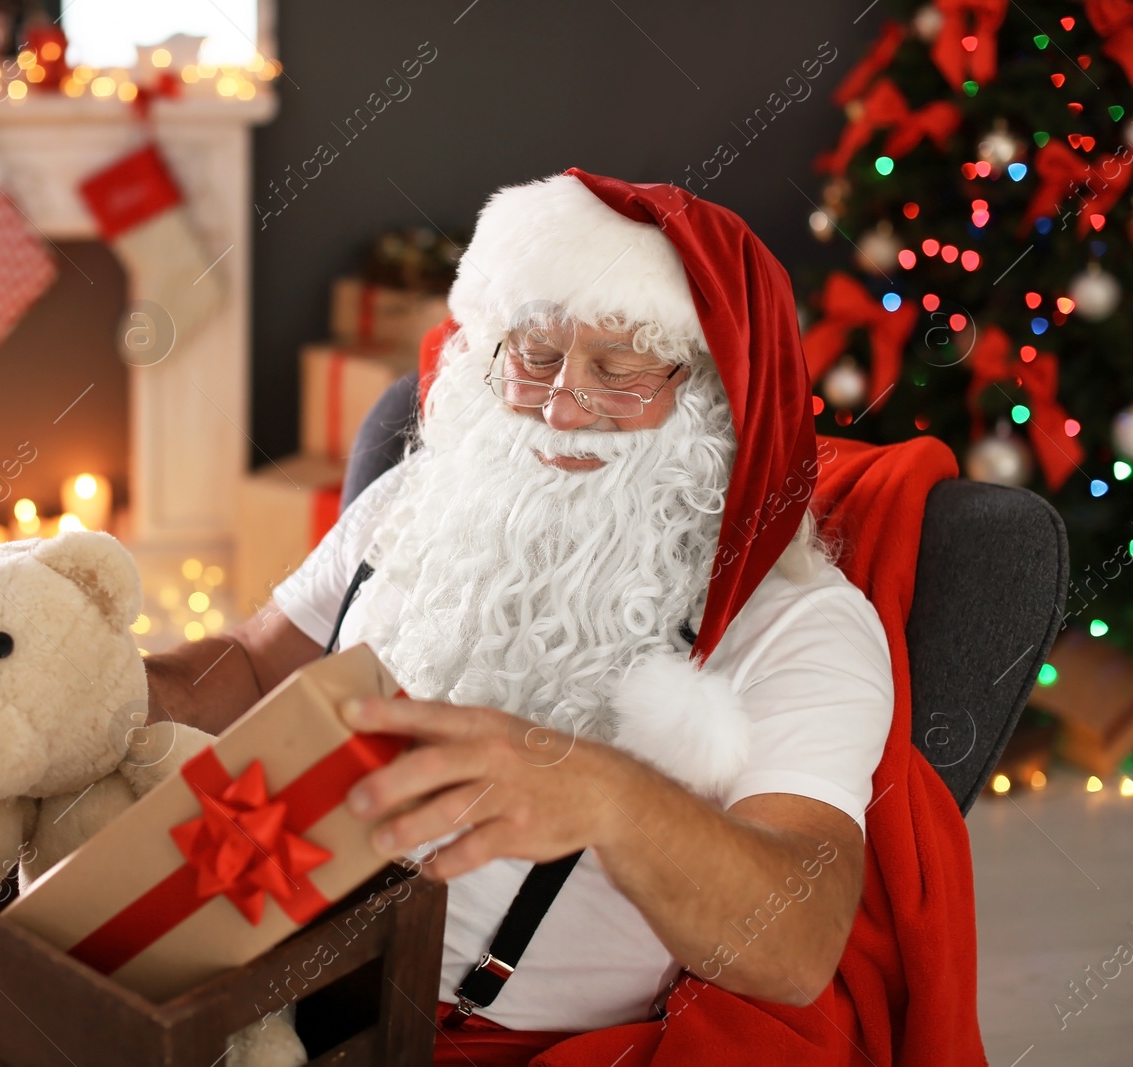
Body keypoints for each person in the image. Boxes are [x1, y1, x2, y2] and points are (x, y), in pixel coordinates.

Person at [145, 171, 900, 1063]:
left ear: (715, 399)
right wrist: (119, 688)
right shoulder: (416, 500)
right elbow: (253, 663)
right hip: (261, 954)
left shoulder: (801, 625)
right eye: (534, 355)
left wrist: (610, 797)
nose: (560, 405)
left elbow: (798, 942)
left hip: (481, 1040)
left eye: (618, 373)